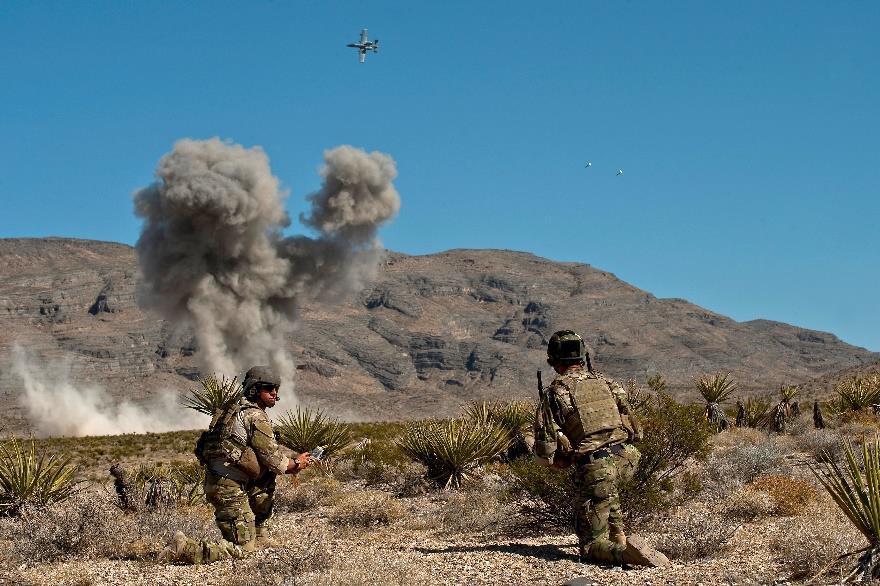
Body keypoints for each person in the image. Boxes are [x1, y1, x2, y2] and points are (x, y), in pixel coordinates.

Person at [537, 330, 668, 567]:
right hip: (627, 460)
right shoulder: (608, 383)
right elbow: (636, 431)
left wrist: (566, 459)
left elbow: (547, 453)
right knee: (606, 490)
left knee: (590, 546)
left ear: (554, 361)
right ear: (582, 356)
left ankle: (626, 555)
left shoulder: (554, 392)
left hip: (597, 467)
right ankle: (621, 539)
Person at [161, 365, 310, 564]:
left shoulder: (231, 410)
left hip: (223, 483)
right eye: (269, 388)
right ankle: (185, 549)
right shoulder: (255, 416)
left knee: (265, 477)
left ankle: (260, 535)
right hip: (228, 488)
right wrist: (296, 464)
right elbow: (274, 461)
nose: (275, 393)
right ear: (255, 389)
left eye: (276, 388)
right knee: (243, 550)